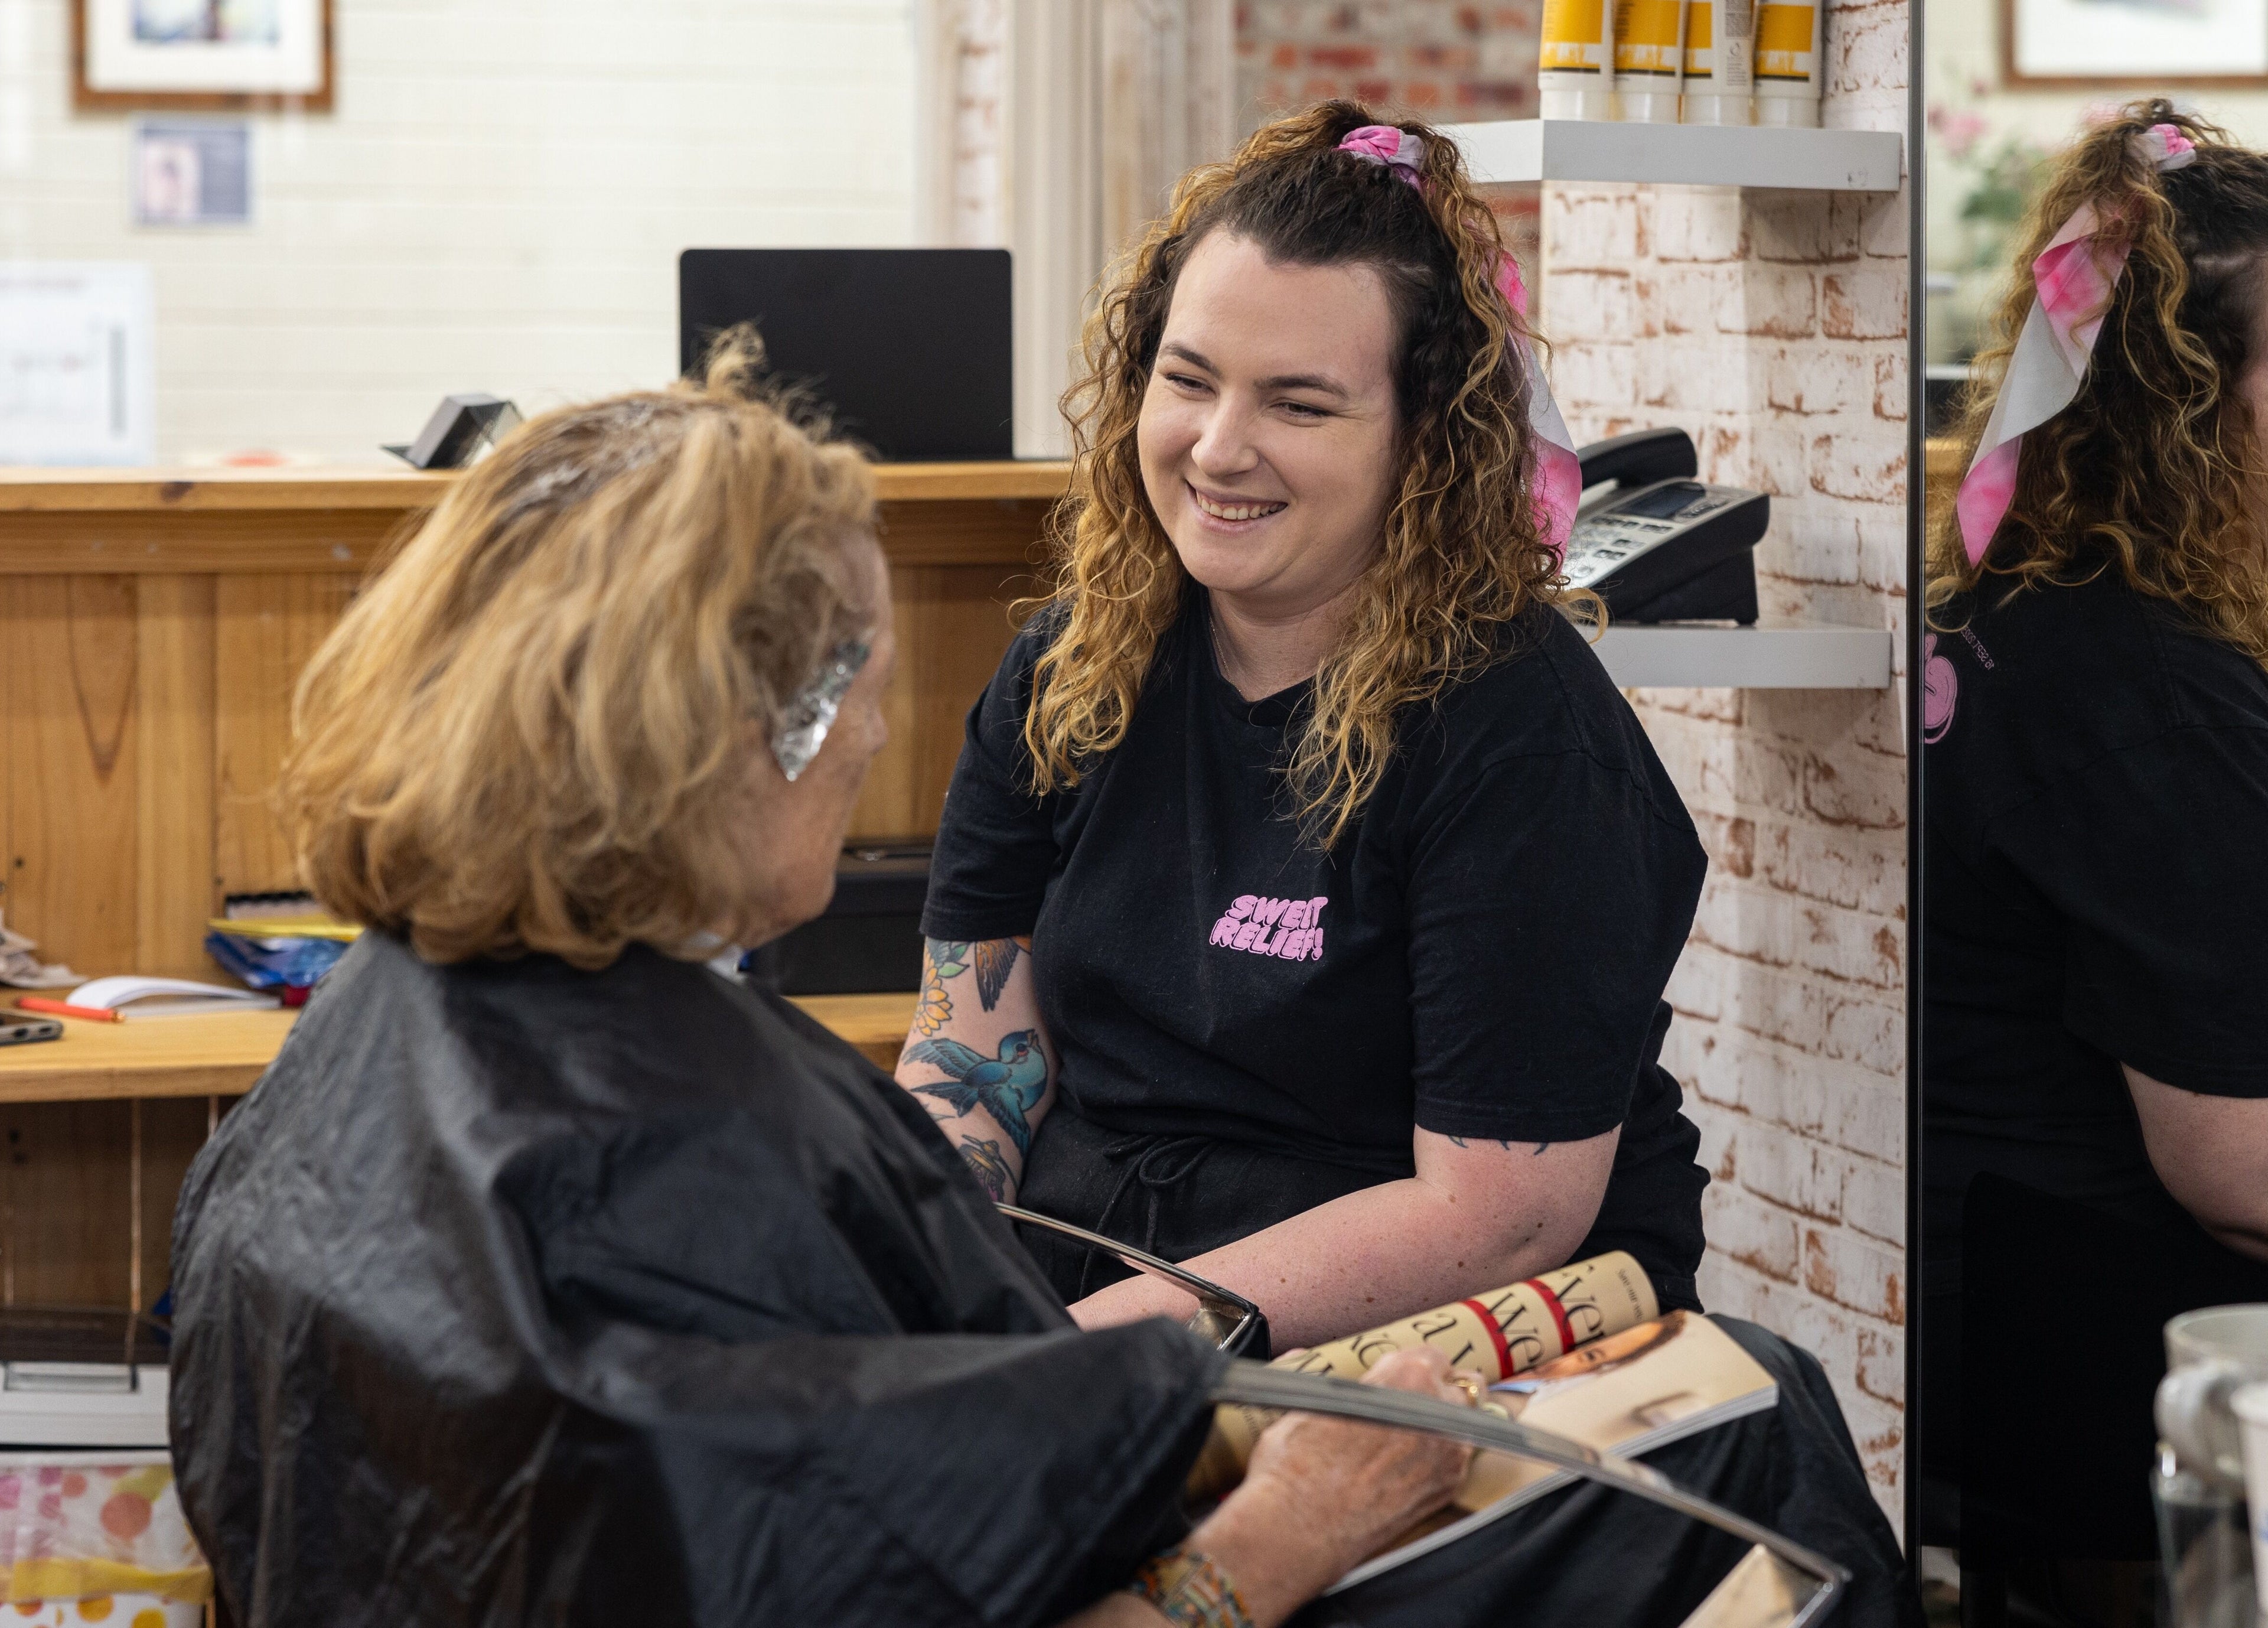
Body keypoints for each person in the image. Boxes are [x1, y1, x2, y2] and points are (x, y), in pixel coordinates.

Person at [165, 343, 1484, 1626]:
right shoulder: (724, 1169)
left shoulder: (323, 1075)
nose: (872, 734)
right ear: (760, 731)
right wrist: (1292, 1525)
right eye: (864, 686)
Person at [900, 102, 1712, 1353]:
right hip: (1090, 1287)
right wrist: (928, 1290)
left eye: (1300, 405)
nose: (1220, 448)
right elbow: (972, 1044)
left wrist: (1077, 1364)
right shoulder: (1067, 671)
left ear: (1423, 440)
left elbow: (1498, 1218)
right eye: (1188, 380)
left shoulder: (1526, 743)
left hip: (1417, 1333)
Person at [1922, 102, 2268, 1565]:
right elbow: (2240, 1175)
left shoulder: (2023, 605)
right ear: (2195, 402)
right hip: (2096, 1365)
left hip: (1987, 1312)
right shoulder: (2147, 698)